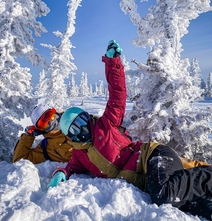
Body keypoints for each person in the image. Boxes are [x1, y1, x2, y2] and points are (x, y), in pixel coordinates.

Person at [47, 40, 212, 219]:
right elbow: (69, 168)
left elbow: (118, 94)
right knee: (194, 207)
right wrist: (60, 173)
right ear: (71, 137)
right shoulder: (79, 156)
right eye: (75, 130)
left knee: (165, 196)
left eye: (83, 121)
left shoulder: (106, 124)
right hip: (151, 178)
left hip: (153, 156)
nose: (83, 129)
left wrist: (113, 63)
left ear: (88, 117)